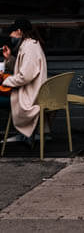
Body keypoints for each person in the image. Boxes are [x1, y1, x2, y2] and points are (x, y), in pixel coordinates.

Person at [2, 19, 47, 148]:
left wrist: (5, 81)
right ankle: (25, 134)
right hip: (28, 91)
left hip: (29, 96)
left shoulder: (30, 47)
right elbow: (23, 68)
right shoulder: (28, 45)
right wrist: (9, 58)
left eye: (11, 33)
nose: (10, 37)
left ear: (19, 31)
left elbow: (25, 76)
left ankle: (26, 133)